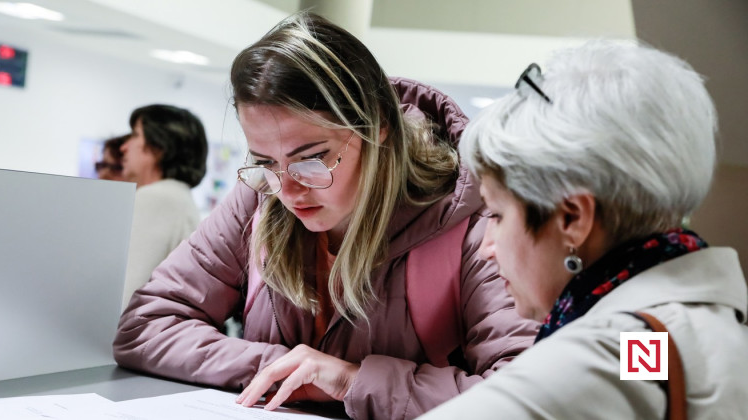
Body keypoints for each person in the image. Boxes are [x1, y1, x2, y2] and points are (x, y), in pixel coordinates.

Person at [113, 12, 537, 420]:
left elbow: (528, 397)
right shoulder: (261, 196)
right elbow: (145, 326)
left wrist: (351, 381)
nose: (288, 191)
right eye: (265, 162)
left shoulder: (470, 219)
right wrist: (285, 367)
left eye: (312, 159)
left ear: (379, 126)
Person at [420, 41, 748, 419]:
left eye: (496, 214)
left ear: (572, 219)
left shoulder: (609, 355)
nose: (486, 247)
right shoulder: (680, 333)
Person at [119, 104, 208, 309]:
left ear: (159, 147)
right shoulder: (177, 197)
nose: (124, 147)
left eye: (135, 135)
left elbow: (126, 299)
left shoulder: (156, 198)